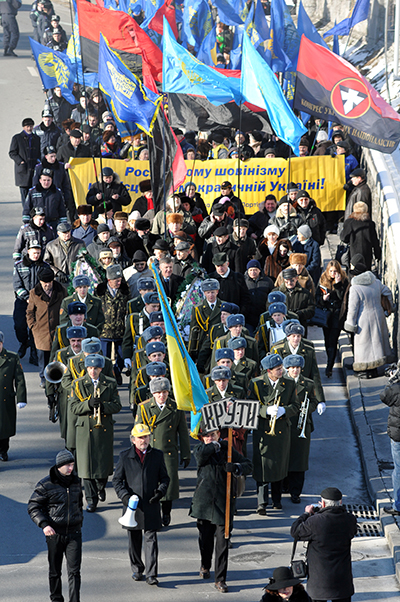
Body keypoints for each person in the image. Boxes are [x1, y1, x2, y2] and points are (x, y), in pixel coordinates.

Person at [189, 426, 252, 593]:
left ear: (218, 434)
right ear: (202, 438)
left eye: (213, 435)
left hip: (224, 504)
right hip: (204, 503)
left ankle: (220, 579)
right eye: (207, 436)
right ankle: (205, 564)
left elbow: (248, 464)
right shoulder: (200, 449)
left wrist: (237, 467)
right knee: (205, 539)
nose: (210, 438)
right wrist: (215, 445)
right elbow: (201, 456)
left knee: (222, 542)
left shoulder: (227, 449)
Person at [113, 422, 170, 586]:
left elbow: (165, 479)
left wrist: (160, 492)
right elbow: (117, 481)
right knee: (134, 539)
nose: (143, 440)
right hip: (132, 507)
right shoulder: (125, 456)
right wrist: (125, 497)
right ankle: (138, 569)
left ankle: (151, 574)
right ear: (133, 440)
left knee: (151, 538)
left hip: (151, 504)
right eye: (140, 437)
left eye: (145, 436)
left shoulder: (157, 455)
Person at [27, 450, 83, 602]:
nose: (70, 468)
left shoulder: (76, 482)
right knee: (55, 571)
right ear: (59, 466)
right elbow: (33, 507)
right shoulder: (46, 484)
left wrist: (79, 521)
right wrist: (44, 525)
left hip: (74, 533)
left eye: (72, 465)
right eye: (67, 465)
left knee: (74, 571)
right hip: (55, 534)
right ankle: (56, 598)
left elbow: (79, 503)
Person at [136, 376, 191, 526]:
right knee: (151, 485)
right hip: (150, 451)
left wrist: (186, 454)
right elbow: (138, 431)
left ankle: (166, 512)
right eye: (158, 392)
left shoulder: (176, 407)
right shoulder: (144, 408)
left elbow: (183, 432)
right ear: (153, 393)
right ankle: (155, 514)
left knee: (169, 485)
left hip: (168, 452)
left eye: (165, 392)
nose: (162, 395)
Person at [70, 354, 122, 511]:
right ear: (87, 368)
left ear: (101, 369)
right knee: (86, 467)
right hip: (85, 429)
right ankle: (91, 500)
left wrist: (104, 406)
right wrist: (88, 404)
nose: (93, 371)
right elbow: (74, 407)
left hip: (103, 428)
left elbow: (117, 405)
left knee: (103, 463)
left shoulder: (110, 383)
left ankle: (101, 485)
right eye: (90, 368)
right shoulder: (77, 384)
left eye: (96, 368)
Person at [249, 353, 299, 514]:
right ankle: (261, 503)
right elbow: (249, 406)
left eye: (281, 368)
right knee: (262, 467)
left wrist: (285, 410)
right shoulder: (256, 383)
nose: (282, 371)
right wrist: (265, 410)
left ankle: (276, 500)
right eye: (278, 369)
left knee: (278, 466)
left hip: (281, 431)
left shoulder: (289, 383)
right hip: (263, 429)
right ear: (268, 371)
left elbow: (296, 405)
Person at [290, 487, 358, 602]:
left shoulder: (315, 521)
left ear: (323, 503)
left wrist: (306, 513)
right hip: (342, 581)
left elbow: (295, 531)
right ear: (340, 502)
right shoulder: (350, 520)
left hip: (319, 582)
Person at [282, 355, 323, 504]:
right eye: (292, 368)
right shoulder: (282, 383)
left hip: (302, 424)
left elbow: (314, 401)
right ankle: (284, 485)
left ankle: (295, 491)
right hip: (285, 423)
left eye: (297, 368)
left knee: (299, 459)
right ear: (287, 369)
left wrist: (307, 409)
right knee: (284, 455)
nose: (295, 370)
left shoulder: (308, 384)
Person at [344, 261, 393, 378]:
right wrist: (389, 308)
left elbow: (353, 308)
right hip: (378, 315)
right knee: (376, 343)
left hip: (363, 320)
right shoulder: (376, 282)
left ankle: (366, 371)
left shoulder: (355, 288)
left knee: (365, 346)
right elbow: (388, 292)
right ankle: (375, 369)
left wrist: (350, 323)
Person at [26, 266, 67, 387]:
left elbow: (66, 308)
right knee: (42, 356)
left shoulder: (61, 291)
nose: (46, 285)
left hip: (57, 329)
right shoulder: (34, 293)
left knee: (57, 355)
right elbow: (30, 312)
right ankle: (43, 377)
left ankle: (58, 376)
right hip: (41, 331)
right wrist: (33, 326)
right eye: (44, 283)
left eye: (49, 283)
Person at [12, 239, 50, 363]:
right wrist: (27, 298)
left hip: (39, 302)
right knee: (19, 326)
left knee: (36, 328)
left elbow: (48, 285)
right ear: (28, 251)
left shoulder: (45, 266)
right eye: (34, 252)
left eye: (38, 253)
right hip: (23, 301)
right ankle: (24, 343)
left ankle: (34, 354)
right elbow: (17, 286)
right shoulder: (19, 265)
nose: (36, 255)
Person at [95, 264, 130, 384]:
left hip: (120, 330)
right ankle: (108, 376)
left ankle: (117, 371)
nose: (119, 283)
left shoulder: (124, 292)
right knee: (105, 356)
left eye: (120, 280)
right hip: (105, 330)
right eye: (116, 280)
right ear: (109, 280)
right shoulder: (101, 293)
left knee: (121, 356)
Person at [317, 261, 349, 377]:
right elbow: (317, 298)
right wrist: (323, 299)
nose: (332, 273)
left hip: (337, 314)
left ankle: (329, 367)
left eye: (335, 271)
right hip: (326, 315)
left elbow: (343, 298)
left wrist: (338, 284)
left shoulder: (344, 280)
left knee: (333, 340)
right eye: (330, 271)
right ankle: (329, 362)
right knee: (327, 341)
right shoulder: (323, 279)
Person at [0, 331, 27, 461]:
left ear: (2, 343)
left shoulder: (12, 357)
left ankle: (3, 451)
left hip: (5, 398)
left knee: (5, 428)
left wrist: (21, 398)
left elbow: (19, 379)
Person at [380, 367, 400, 516]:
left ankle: (398, 505)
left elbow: (384, 396)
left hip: (398, 435)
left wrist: (391, 381)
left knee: (398, 470)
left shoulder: (397, 389)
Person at [340, 201, 381, 272]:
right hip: (367, 254)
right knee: (366, 272)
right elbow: (374, 241)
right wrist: (378, 254)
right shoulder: (370, 224)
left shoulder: (349, 222)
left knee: (353, 272)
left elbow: (343, 238)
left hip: (353, 253)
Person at [9, 118, 41, 203]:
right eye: (27, 126)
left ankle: (32, 212)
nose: (29, 128)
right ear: (23, 127)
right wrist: (20, 161)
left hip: (34, 168)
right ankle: (26, 212)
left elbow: (39, 152)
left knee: (34, 192)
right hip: (23, 170)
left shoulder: (36, 138)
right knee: (24, 192)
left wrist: (39, 161)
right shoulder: (17, 138)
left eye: (31, 126)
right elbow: (12, 152)